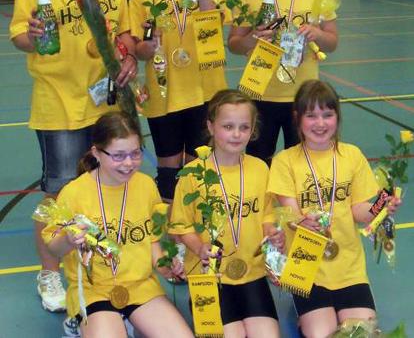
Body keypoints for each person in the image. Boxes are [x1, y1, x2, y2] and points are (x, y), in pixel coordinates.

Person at [9, 0, 137, 312]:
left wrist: (127, 56)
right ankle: (49, 273)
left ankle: (100, 263)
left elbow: (124, 33)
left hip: (106, 103)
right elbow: (19, 36)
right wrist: (33, 34)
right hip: (59, 102)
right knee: (59, 195)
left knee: (106, 187)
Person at [267, 80, 402, 338]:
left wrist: (380, 209)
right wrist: (301, 221)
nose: (320, 123)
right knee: (322, 334)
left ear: (337, 117)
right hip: (306, 267)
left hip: (348, 267)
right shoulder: (285, 161)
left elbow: (358, 211)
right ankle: (306, 316)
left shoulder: (352, 155)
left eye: (327, 114)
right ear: (297, 118)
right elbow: (290, 213)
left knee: (361, 333)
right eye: (311, 115)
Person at [42, 111, 193, 338]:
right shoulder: (73, 193)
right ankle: (87, 321)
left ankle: (125, 322)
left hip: (140, 286)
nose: (129, 163)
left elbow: (151, 239)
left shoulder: (145, 186)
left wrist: (164, 266)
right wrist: (68, 240)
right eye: (119, 156)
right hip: (95, 291)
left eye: (135, 153)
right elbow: (53, 248)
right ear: (97, 153)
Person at [129, 0, 230, 201]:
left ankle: (197, 230)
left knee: (200, 172)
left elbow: (215, 27)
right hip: (165, 91)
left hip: (205, 89)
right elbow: (139, 49)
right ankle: (173, 228)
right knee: (169, 173)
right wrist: (147, 46)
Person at [170, 89, 284, 338]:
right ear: (211, 127)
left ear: (253, 130)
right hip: (208, 276)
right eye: (228, 126)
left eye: (244, 127)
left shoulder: (260, 169)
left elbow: (267, 213)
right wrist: (199, 248)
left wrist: (271, 232)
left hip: (252, 273)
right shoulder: (193, 174)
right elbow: (181, 227)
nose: (236, 134)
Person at [228, 0, 338, 164]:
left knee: (302, 166)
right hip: (260, 95)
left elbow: (332, 43)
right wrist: (253, 39)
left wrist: (318, 34)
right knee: (259, 164)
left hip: (304, 99)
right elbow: (234, 44)